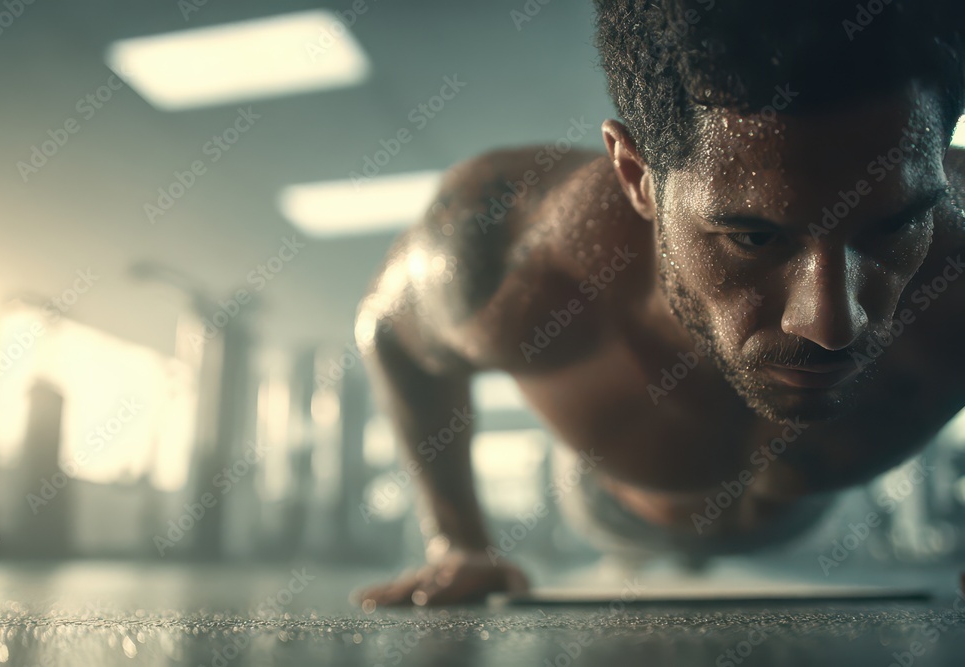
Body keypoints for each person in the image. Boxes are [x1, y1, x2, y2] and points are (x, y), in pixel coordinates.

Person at [352, 0, 965, 606]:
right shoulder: (513, 250)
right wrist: (457, 543)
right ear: (636, 176)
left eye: (894, 227)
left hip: (822, 514)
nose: (832, 326)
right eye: (753, 238)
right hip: (612, 511)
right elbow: (392, 335)